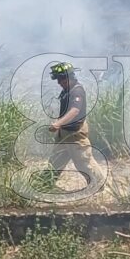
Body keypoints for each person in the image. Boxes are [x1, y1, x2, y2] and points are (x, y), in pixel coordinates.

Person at [46, 62, 105, 190]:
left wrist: (57, 124)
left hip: (75, 134)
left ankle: (99, 186)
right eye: (58, 79)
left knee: (84, 162)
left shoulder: (77, 91)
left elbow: (74, 111)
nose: (59, 82)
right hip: (64, 133)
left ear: (69, 77)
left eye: (61, 79)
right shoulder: (66, 91)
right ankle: (45, 185)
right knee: (55, 162)